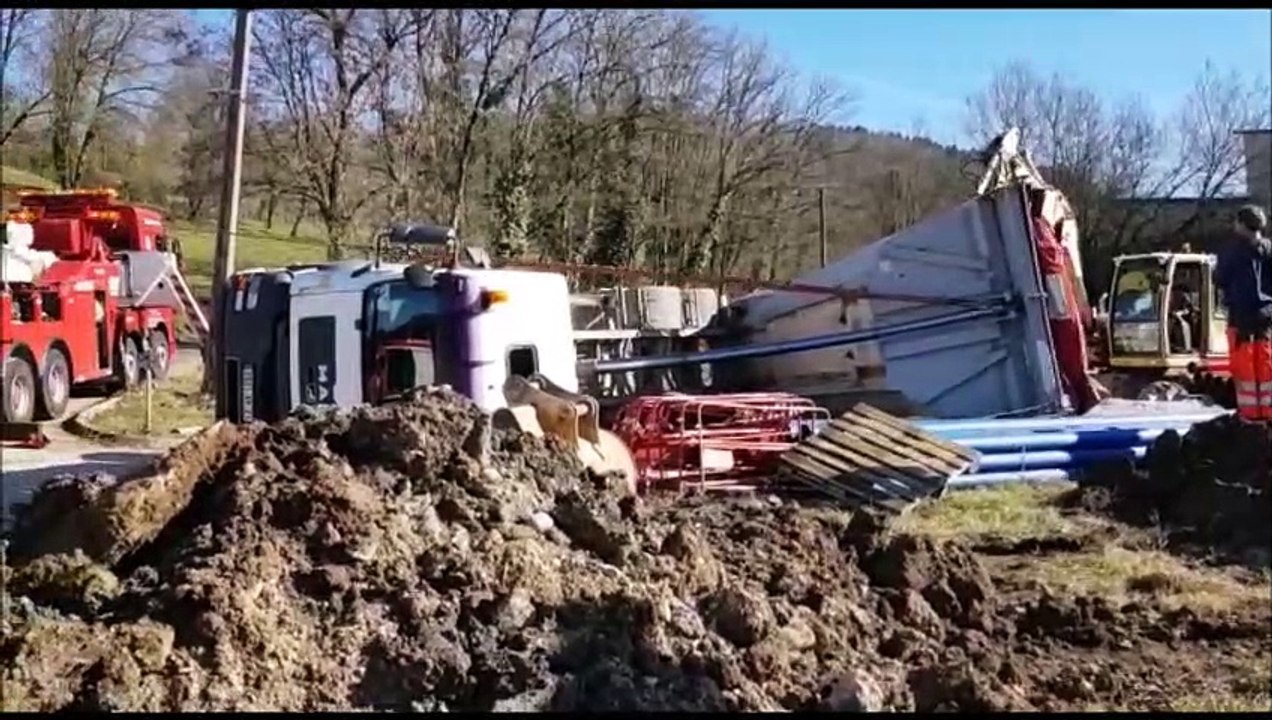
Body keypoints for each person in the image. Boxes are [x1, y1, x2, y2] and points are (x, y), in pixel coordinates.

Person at [1214, 204, 1272, 421]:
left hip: (1240, 317)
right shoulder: (1269, 250)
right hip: (1267, 318)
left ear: (1241, 224)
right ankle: (1267, 413)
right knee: (1266, 365)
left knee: (1245, 368)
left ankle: (1249, 416)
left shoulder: (1232, 252)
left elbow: (1220, 278)